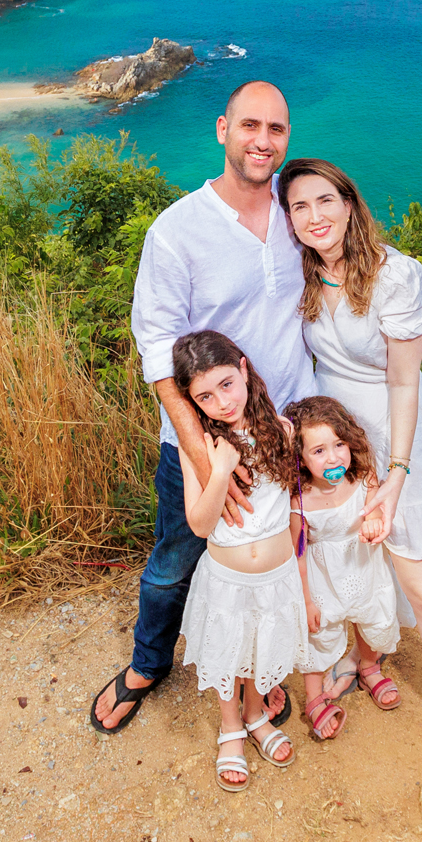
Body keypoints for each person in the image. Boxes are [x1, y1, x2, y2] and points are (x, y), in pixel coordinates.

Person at [90, 81, 314, 736]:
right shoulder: (178, 230)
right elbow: (156, 348)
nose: (262, 140)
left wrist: (407, 313)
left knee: (276, 556)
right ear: (223, 130)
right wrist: (206, 452)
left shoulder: (297, 215)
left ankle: (261, 673)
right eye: (250, 125)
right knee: (176, 560)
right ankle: (146, 664)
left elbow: (345, 264)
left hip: (281, 430)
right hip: (201, 437)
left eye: (276, 128)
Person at [280, 155, 422, 803]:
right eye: (299, 207)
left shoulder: (396, 276)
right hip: (335, 439)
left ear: (350, 203)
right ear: (289, 221)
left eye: (325, 200)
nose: (314, 217)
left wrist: (396, 475)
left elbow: (405, 381)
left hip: (397, 430)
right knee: (348, 553)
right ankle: (361, 654)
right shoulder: (301, 276)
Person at [170, 332, 309, 790]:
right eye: (205, 396)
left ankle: (255, 716)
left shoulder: (284, 432)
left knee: (256, 648)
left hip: (276, 573)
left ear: (245, 370)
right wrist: (223, 468)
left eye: (227, 384)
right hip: (227, 576)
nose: (221, 402)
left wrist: (301, 580)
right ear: (192, 401)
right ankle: (231, 728)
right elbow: (201, 524)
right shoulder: (202, 448)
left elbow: (292, 508)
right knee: (230, 651)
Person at [286, 394, 399, 744]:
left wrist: (374, 521)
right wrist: (306, 601)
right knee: (319, 635)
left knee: (368, 619)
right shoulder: (300, 499)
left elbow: (376, 510)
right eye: (318, 451)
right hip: (322, 577)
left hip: (364, 566)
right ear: (300, 458)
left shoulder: (363, 477)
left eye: (339, 444)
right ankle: (314, 697)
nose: (333, 456)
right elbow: (299, 552)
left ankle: (368, 667)